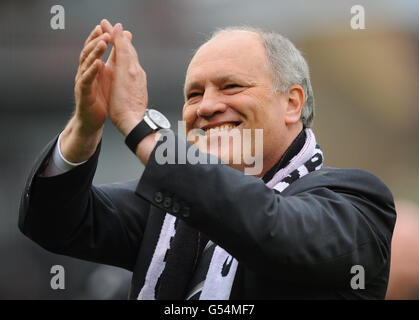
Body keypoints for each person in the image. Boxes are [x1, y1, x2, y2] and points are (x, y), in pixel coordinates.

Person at [19, 19, 396, 300]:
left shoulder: (358, 200)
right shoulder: (171, 208)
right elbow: (55, 223)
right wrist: (85, 127)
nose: (208, 107)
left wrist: (140, 127)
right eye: (194, 94)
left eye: (232, 86)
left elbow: (271, 227)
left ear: (292, 103)